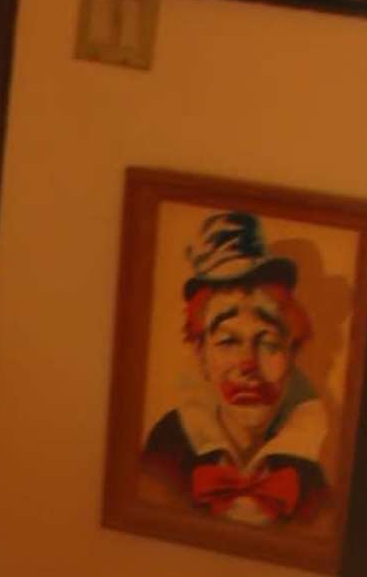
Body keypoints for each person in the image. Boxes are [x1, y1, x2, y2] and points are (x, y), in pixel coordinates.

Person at [136, 202, 333, 530]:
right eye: (228, 341)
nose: (248, 365)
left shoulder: (310, 478)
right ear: (201, 355)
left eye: (268, 343)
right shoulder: (165, 452)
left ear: (292, 356)